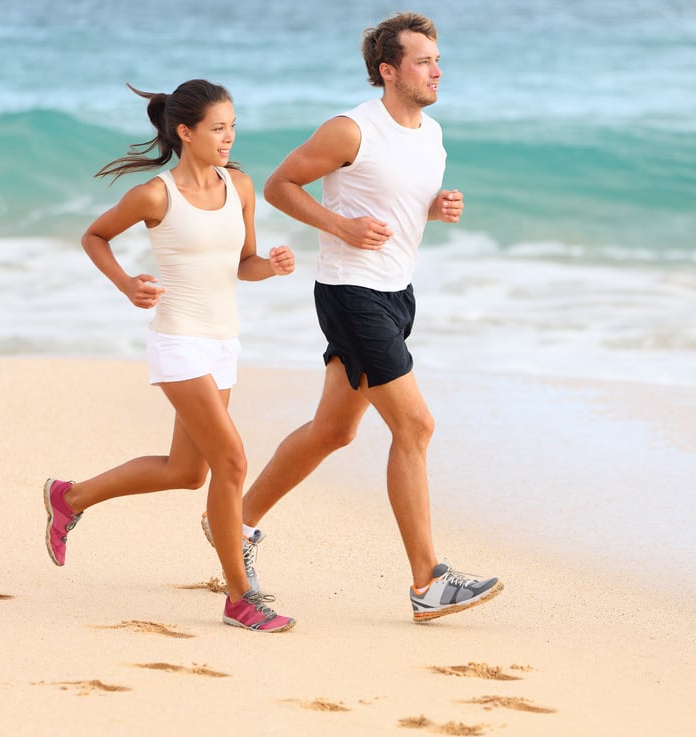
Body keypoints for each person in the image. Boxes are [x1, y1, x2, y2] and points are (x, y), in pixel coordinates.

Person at [201, 12, 502, 623]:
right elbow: (282, 185)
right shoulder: (350, 130)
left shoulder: (433, 134)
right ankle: (428, 583)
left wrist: (436, 208)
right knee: (415, 427)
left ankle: (234, 524)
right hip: (351, 292)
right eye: (422, 61)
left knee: (334, 430)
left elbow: (397, 203)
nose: (436, 70)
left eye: (437, 59)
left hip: (396, 292)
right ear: (388, 71)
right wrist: (340, 226)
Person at [43, 79, 297, 633]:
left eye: (232, 126)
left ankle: (70, 496)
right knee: (232, 462)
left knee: (187, 471)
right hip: (179, 340)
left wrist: (272, 266)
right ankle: (239, 598)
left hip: (222, 341)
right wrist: (126, 284)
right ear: (185, 132)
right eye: (218, 128)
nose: (229, 138)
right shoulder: (156, 195)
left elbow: (244, 263)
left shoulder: (241, 186)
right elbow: (95, 236)